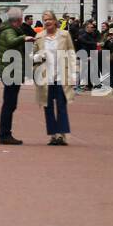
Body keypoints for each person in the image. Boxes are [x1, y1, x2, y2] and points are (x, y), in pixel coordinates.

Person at [32, 12, 76, 145]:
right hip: (46, 77)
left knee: (62, 106)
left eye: (49, 19)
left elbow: (71, 53)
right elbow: (32, 56)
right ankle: (52, 134)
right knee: (48, 106)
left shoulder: (65, 35)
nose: (47, 22)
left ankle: (62, 134)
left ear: (55, 21)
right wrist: (39, 57)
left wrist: (74, 74)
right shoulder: (39, 37)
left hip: (61, 75)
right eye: (45, 20)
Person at [0, 9, 29, 144]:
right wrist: (24, 38)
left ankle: (5, 133)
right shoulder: (10, 31)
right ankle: (4, 134)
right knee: (9, 104)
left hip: (10, 71)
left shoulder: (8, 29)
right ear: (19, 20)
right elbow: (10, 41)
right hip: (11, 71)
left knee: (10, 103)